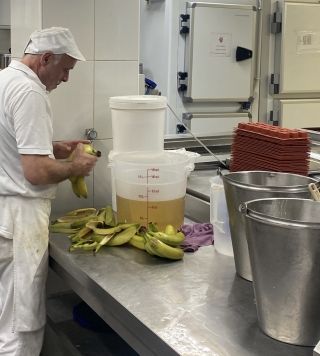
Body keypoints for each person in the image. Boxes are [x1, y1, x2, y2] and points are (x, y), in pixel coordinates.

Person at [0, 27, 98, 355]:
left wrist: (56, 148)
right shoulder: (30, 92)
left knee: (5, 319)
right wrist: (75, 167)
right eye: (66, 69)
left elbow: (14, 146)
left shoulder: (4, 81)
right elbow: (35, 172)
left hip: (4, 214)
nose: (67, 78)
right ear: (45, 59)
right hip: (20, 219)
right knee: (21, 329)